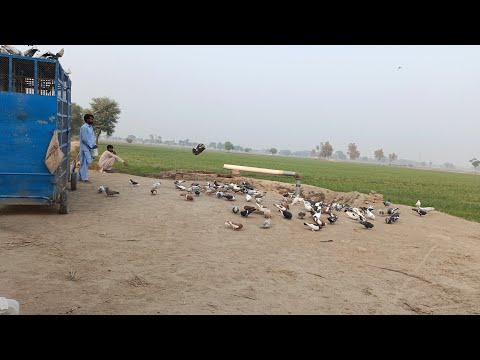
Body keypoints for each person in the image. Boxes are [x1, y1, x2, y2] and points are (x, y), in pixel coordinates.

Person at [79, 114, 97, 183]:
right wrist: (90, 146)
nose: (92, 120)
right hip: (85, 148)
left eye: (92, 119)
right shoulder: (84, 127)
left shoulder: (90, 127)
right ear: (87, 119)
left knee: (84, 163)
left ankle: (80, 177)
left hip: (90, 148)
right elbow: (84, 139)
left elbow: (91, 138)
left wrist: (94, 145)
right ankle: (85, 179)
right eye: (91, 119)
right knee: (85, 163)